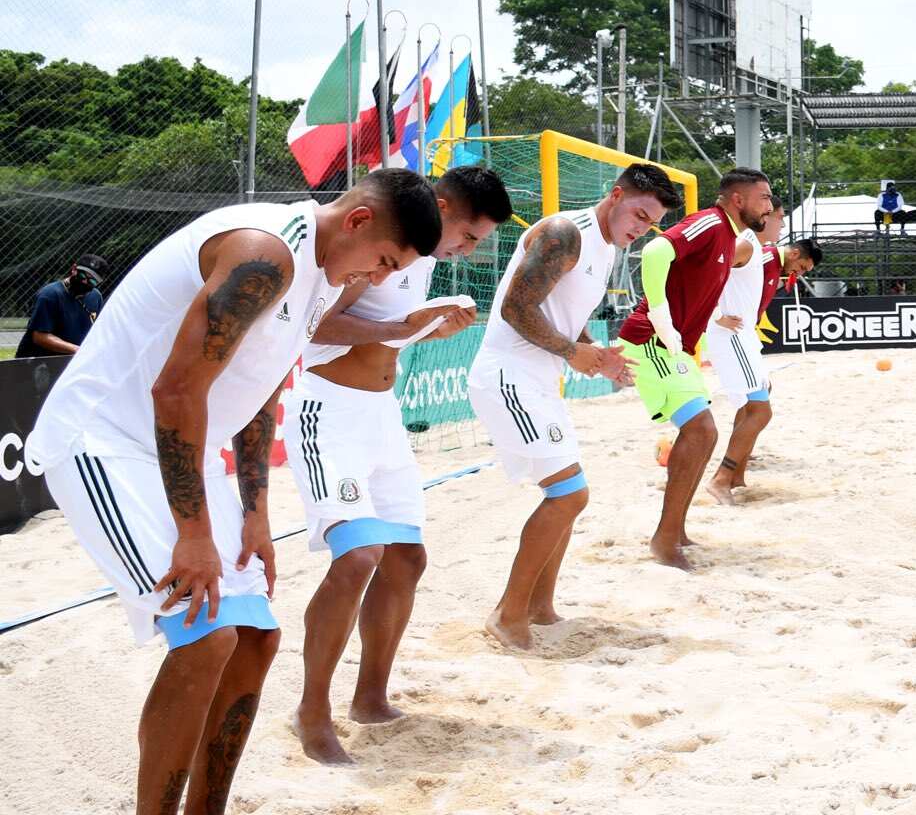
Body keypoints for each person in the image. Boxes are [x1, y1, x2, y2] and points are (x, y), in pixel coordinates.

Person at [25, 168, 438, 815]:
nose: (380, 280)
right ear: (357, 221)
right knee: (207, 630)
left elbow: (260, 392)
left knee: (255, 636)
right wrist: (194, 534)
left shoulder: (319, 276)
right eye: (384, 261)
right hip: (104, 442)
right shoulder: (265, 252)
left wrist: (254, 516)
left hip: (184, 449)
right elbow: (176, 390)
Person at [286, 165, 512, 764]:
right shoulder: (381, 247)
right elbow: (314, 327)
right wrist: (402, 327)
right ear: (439, 206)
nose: (466, 248)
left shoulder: (423, 258)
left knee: (407, 556)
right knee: (358, 557)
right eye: (466, 235)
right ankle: (311, 709)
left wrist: (420, 329)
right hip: (327, 413)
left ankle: (369, 696)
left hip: (380, 415)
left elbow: (390, 334)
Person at [470, 164, 682, 648]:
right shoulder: (567, 233)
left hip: (538, 379)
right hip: (508, 375)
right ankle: (509, 613)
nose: (641, 227)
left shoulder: (607, 247)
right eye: (639, 214)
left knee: (570, 493)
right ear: (615, 195)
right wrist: (574, 353)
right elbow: (514, 308)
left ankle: (540, 608)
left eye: (650, 223)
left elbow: (560, 313)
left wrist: (597, 354)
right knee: (569, 494)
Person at [618, 167, 775, 568]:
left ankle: (675, 531)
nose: (770, 206)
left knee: (702, 434)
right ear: (738, 199)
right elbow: (654, 251)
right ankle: (665, 539)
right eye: (765, 198)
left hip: (676, 349)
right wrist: (661, 316)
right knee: (701, 430)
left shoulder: (731, 236)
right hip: (649, 341)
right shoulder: (709, 222)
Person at [703, 196, 824, 504]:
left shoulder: (763, 253)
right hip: (732, 336)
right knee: (759, 409)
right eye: (777, 216)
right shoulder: (762, 251)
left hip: (744, 337)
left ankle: (737, 470)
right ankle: (722, 478)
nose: (781, 222)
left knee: (757, 400)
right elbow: (708, 271)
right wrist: (715, 312)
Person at [15, 253, 110, 358]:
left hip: (72, 361)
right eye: (82, 275)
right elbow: (40, 336)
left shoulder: (96, 297)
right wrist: (78, 350)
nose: (84, 281)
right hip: (39, 362)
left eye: (92, 281)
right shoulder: (50, 295)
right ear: (74, 269)